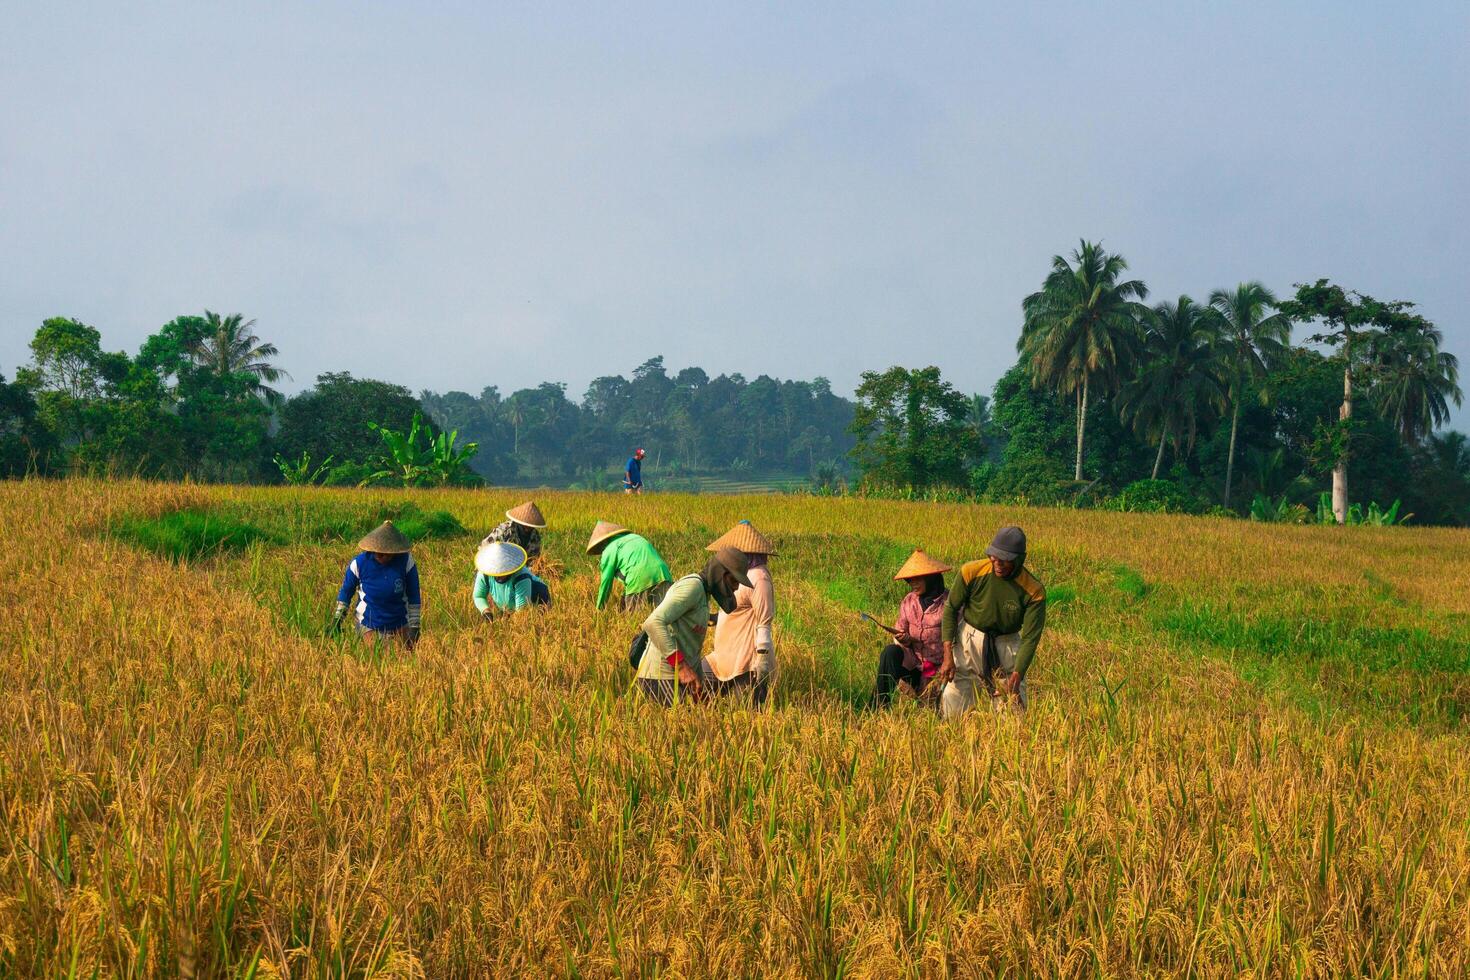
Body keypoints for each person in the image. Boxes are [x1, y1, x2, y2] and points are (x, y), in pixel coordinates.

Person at [938, 526, 1045, 716]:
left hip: (1006, 645)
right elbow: (951, 608)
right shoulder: (971, 571)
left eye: (1005, 560)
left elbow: (1030, 639)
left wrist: (1017, 676)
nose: (997, 564)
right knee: (953, 707)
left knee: (1011, 712)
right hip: (969, 640)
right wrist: (947, 654)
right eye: (994, 557)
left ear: (1019, 559)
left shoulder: (1033, 590)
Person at [635, 546, 752, 706]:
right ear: (720, 573)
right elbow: (653, 622)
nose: (736, 588)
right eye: (733, 581)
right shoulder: (692, 587)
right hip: (661, 677)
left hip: (678, 677)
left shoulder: (703, 595)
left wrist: (698, 687)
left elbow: (689, 645)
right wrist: (682, 667)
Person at [702, 521, 778, 707]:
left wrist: (762, 658)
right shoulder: (735, 575)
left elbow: (764, 621)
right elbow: (736, 610)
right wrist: (714, 618)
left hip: (744, 662)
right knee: (694, 688)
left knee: (744, 714)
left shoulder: (759, 577)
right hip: (723, 656)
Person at [874, 550, 950, 708]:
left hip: (939, 670)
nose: (913, 584)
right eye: (910, 581)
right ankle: (879, 707)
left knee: (936, 710)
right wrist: (904, 640)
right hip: (914, 666)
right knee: (890, 652)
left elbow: (959, 640)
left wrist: (948, 663)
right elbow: (900, 631)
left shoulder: (949, 603)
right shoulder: (909, 601)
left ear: (931, 578)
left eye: (918, 579)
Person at [333, 521, 422, 647]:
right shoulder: (359, 563)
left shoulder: (406, 561)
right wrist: (337, 620)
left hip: (399, 621)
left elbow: (414, 595)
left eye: (387, 554)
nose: (383, 557)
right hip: (369, 623)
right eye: (379, 553)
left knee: (404, 657)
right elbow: (346, 592)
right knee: (377, 657)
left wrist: (414, 626)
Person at [588, 520, 673, 610]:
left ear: (603, 542)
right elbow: (633, 567)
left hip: (640, 579)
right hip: (664, 575)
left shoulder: (609, 549)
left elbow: (606, 583)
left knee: (638, 619)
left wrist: (599, 609)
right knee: (665, 616)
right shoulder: (636, 537)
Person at [472, 541, 551, 619]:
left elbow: (522, 612)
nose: (499, 575)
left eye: (503, 571)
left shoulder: (522, 577)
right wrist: (486, 611)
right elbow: (479, 596)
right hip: (508, 605)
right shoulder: (485, 573)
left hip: (537, 601)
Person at [482, 501, 546, 561]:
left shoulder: (535, 536)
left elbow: (534, 558)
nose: (528, 527)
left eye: (531, 525)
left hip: (522, 568)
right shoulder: (503, 530)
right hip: (499, 564)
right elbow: (484, 547)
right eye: (526, 524)